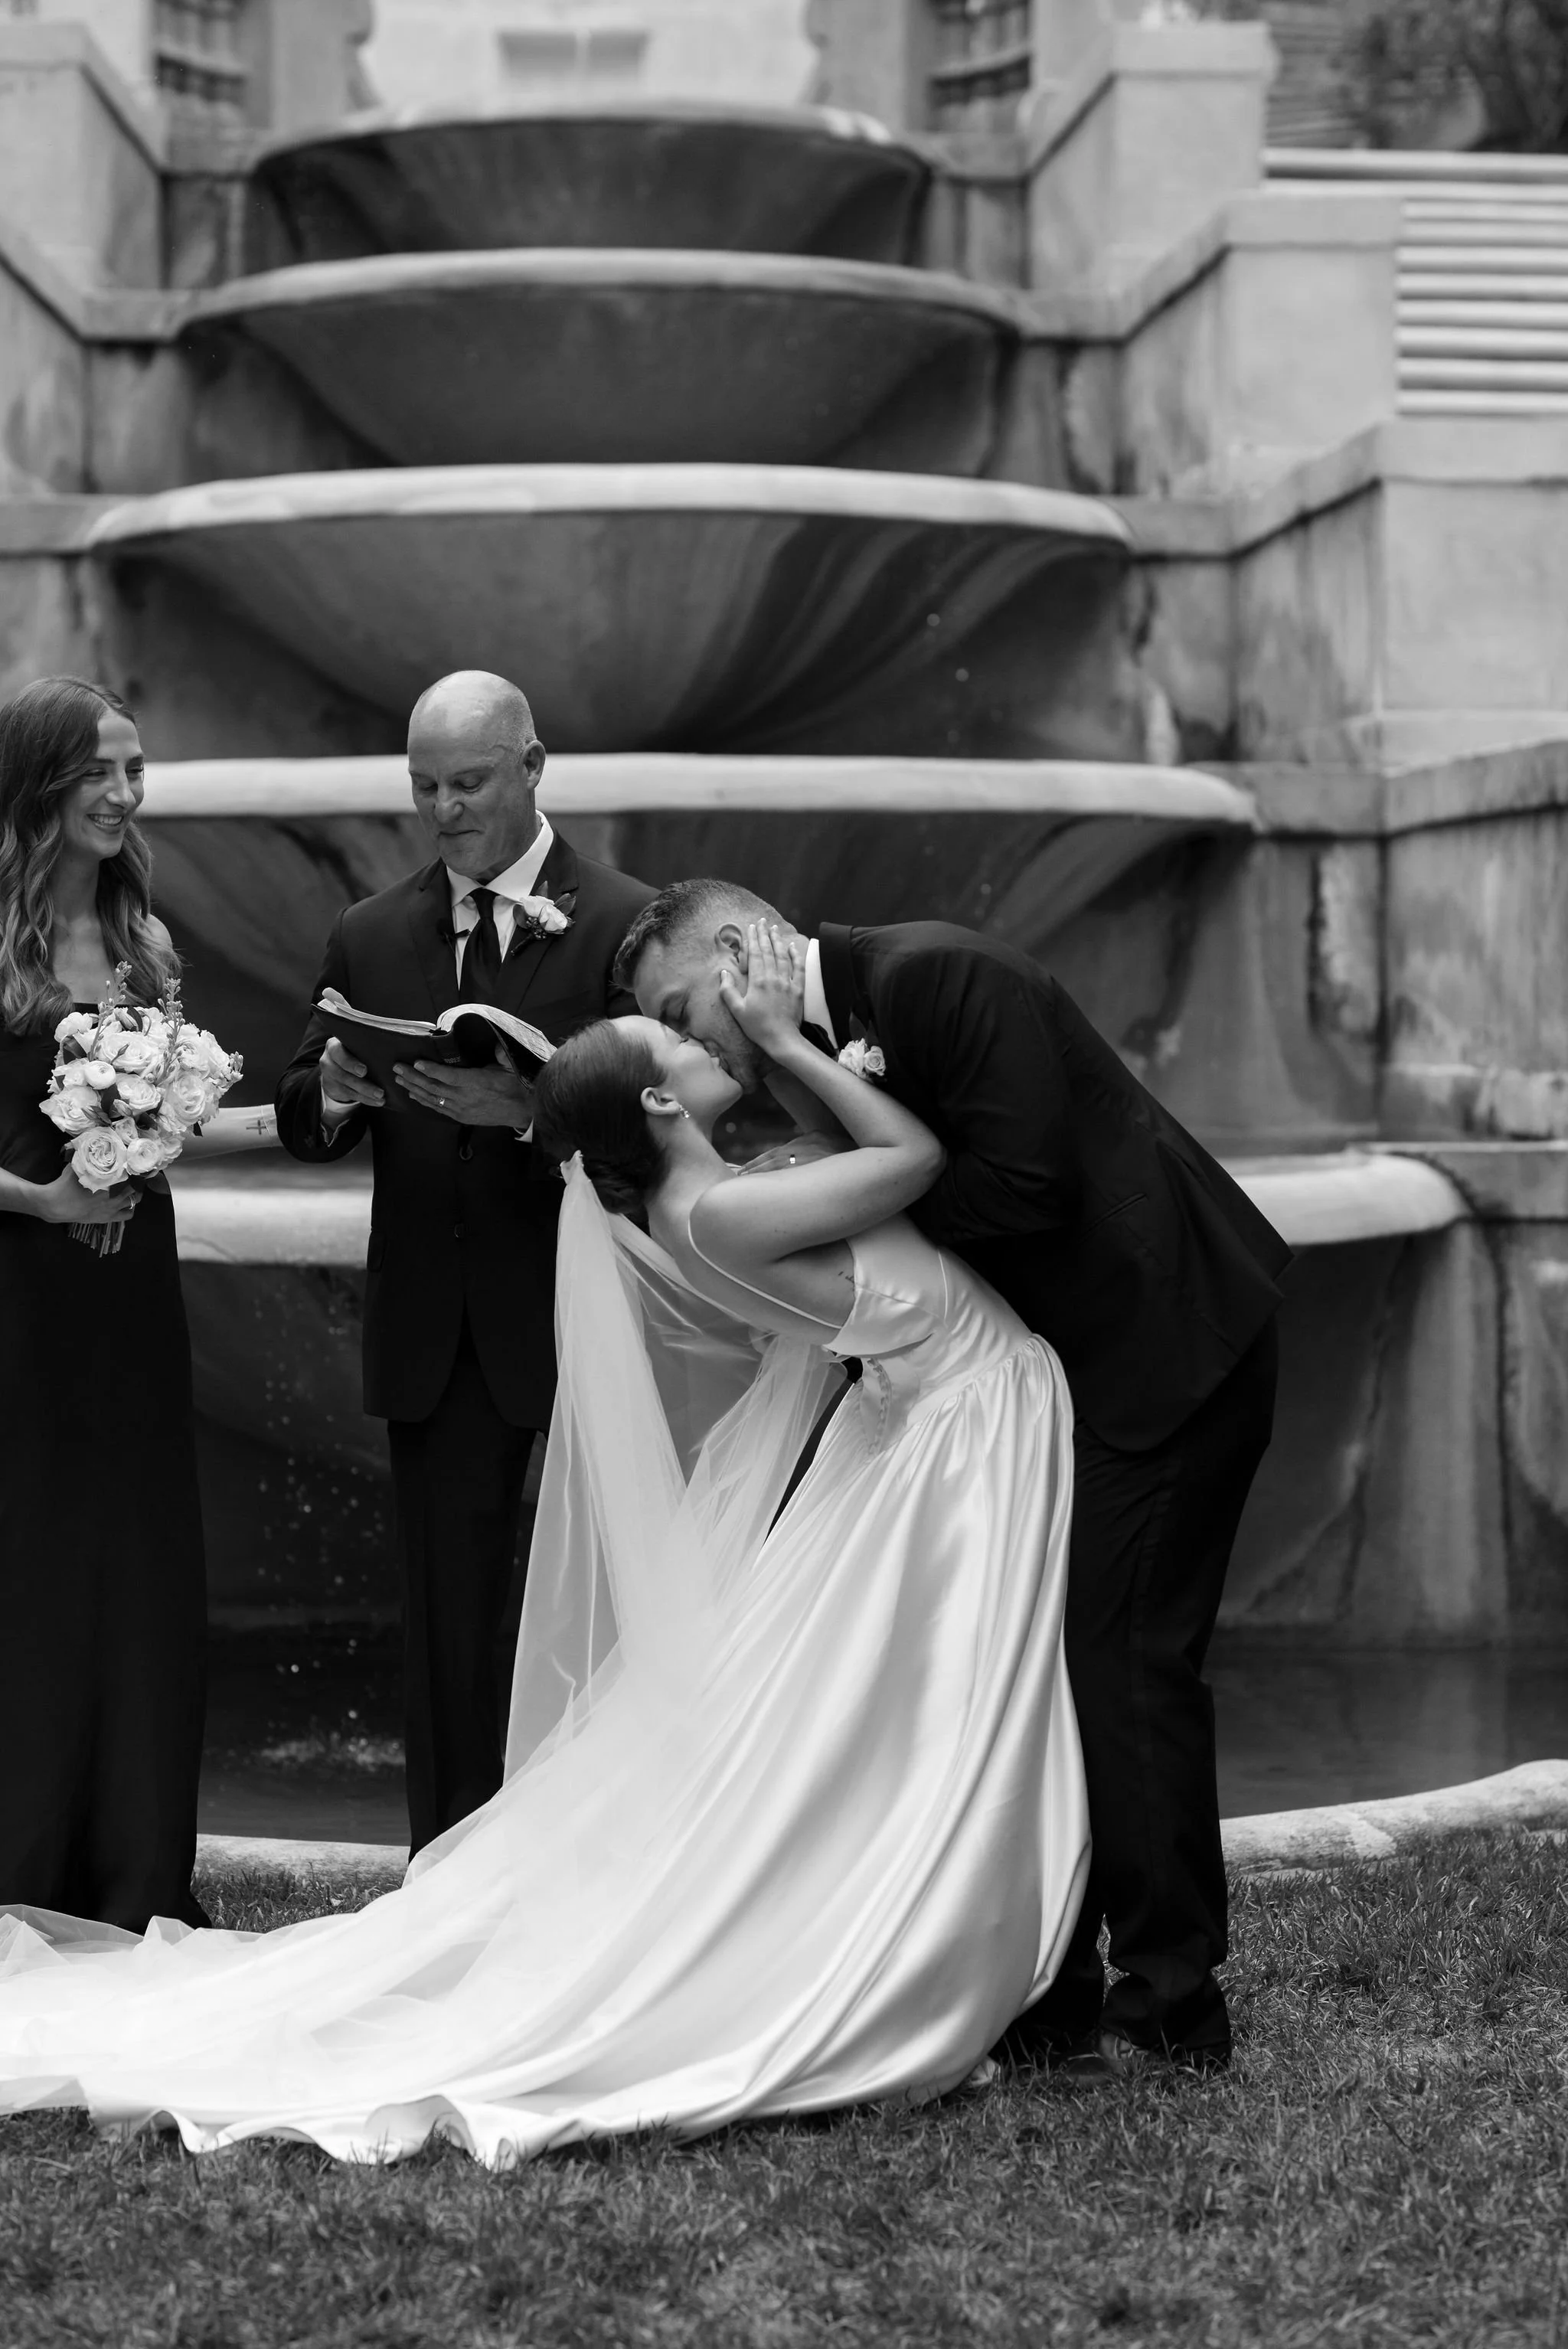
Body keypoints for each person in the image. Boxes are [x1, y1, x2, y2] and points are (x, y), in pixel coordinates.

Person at [0, 923, 1086, 2164]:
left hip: (938, 1429)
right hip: (962, 1426)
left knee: (880, 1722)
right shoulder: (721, 1211)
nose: (707, 1032)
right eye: (681, 1032)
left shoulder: (710, 1192)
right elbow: (920, 1156)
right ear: (667, 1097)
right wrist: (786, 1038)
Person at [617, 880, 1292, 2079]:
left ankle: (1174, 2003)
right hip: (1054, 1380)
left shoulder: (937, 974)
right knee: (1047, 1670)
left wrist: (861, 1204)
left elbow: (1026, 1186)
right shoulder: (806, 1047)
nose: (697, 1041)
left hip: (1169, 1345)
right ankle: (1050, 1993)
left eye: (683, 1007)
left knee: (1124, 1665)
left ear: (736, 953)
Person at [275, 670, 654, 1854]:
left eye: (470, 783)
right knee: (445, 1627)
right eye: (425, 787)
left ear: (534, 769)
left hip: (587, 1315)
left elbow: (674, 1127)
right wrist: (327, 1096)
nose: (444, 810)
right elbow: (299, 1101)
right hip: (437, 1332)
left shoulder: (624, 922)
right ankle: (447, 1871)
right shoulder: (370, 930)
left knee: (614, 1610)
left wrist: (532, 1109)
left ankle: (613, 1854)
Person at [0, 677, 279, 1935]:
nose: (124, 796)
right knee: (35, 1565)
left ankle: (133, 1868)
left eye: (136, 772)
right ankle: (27, 1864)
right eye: (101, 773)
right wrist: (47, 1205)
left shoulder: (143, 941)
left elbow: (160, 1138)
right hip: (19, 1294)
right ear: (40, 786)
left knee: (140, 1567)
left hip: (130, 1298)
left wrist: (297, 1116)